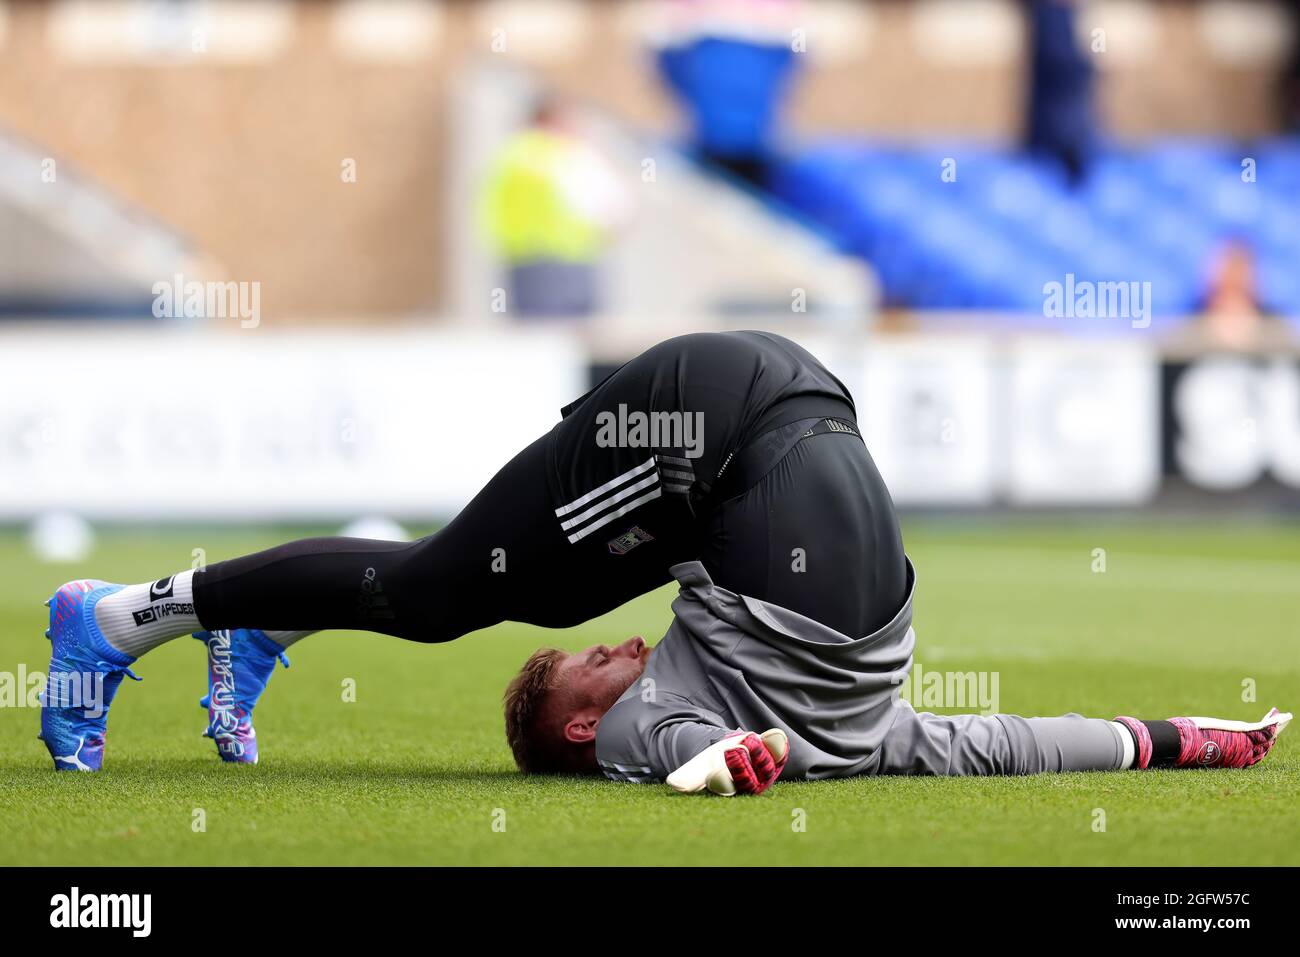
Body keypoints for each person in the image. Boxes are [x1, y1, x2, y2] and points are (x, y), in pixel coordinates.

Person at [38, 332, 1290, 784]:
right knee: (445, 593)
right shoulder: (807, 737)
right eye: (595, 671)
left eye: (591, 670)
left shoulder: (684, 715)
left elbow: (679, 746)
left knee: (446, 594)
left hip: (740, 432)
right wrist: (1178, 737)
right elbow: (1019, 741)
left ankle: (145, 620)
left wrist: (729, 761)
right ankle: (147, 620)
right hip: (749, 423)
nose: (620, 656)